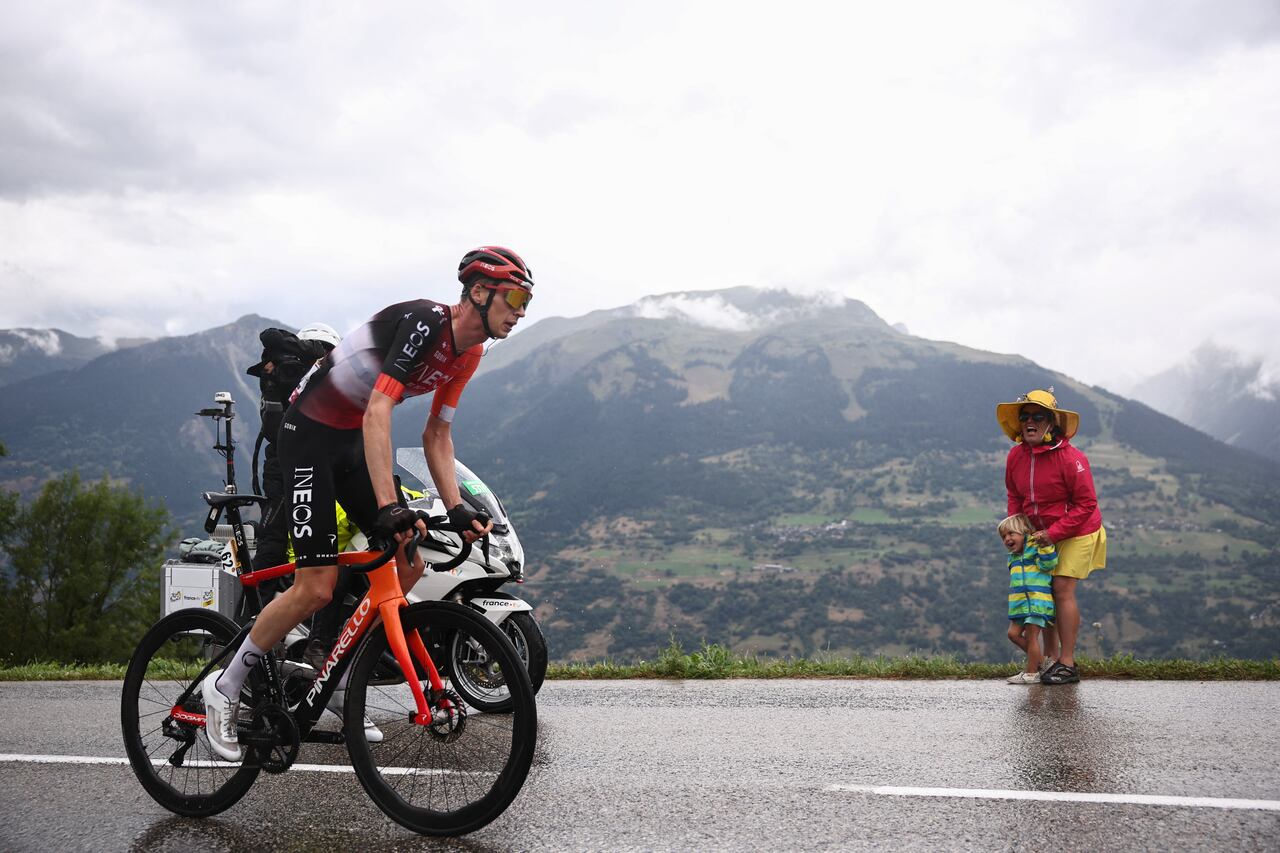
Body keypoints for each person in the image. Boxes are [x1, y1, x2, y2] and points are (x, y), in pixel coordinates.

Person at [202, 246, 533, 761]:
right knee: (317, 587)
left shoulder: (469, 354)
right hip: (309, 434)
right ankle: (225, 686)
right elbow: (380, 407)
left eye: (526, 300)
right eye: (513, 296)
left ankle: (334, 675)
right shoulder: (427, 323)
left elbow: (438, 435)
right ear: (478, 291)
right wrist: (387, 507)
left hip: (351, 442)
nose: (519, 310)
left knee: (407, 563)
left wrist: (457, 505)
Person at [997, 388, 1107, 686]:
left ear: (1051, 423)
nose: (1029, 422)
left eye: (1038, 417)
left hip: (1078, 529)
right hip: (1039, 533)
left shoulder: (1071, 458)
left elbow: (1087, 504)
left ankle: (1067, 663)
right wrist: (1018, 530)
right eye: (1025, 417)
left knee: (1060, 588)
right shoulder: (1016, 456)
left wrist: (1055, 532)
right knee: (1043, 589)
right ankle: (1049, 659)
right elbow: (1014, 495)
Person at [247, 322, 342, 575]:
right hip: (285, 464)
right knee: (272, 544)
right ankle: (257, 610)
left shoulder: (338, 383)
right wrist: (272, 383)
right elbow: (273, 432)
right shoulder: (279, 377)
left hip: (323, 464)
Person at [999, 513, 1057, 684]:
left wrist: (1045, 546)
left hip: (1037, 601)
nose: (1007, 539)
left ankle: (1031, 673)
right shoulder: (1013, 558)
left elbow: (1048, 564)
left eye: (1011, 534)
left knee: (1032, 637)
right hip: (1020, 604)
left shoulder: (1036, 549)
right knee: (1013, 634)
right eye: (1003, 536)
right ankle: (1042, 663)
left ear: (1024, 533)